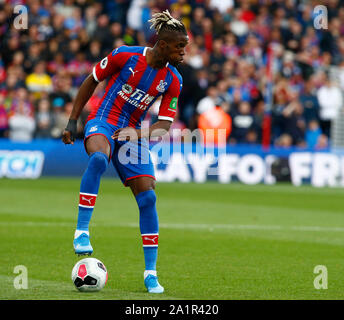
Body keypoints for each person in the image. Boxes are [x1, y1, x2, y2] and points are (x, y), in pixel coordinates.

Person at [62, 10, 188, 294]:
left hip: (132, 133)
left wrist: (138, 133)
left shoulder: (174, 80)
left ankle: (151, 274)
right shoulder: (125, 55)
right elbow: (91, 80)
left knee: (149, 197)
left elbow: (164, 126)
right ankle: (82, 231)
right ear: (164, 45)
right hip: (103, 122)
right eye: (180, 46)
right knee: (97, 157)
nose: (184, 52)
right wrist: (73, 120)